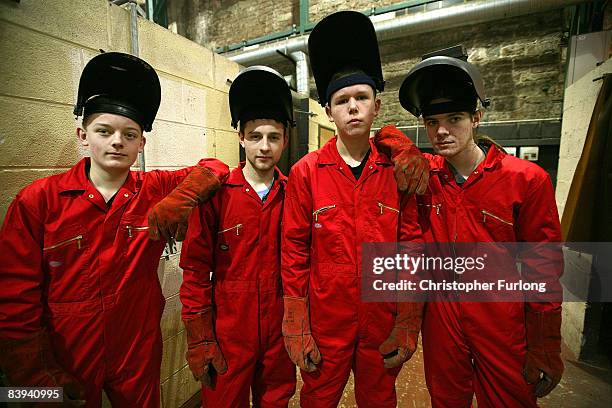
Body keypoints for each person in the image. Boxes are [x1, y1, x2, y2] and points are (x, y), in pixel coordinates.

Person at [0, 52, 229, 407]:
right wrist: (35, 380)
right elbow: (14, 301)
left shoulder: (154, 189)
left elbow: (216, 167)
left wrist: (180, 198)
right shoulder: (38, 203)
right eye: (104, 131)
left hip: (136, 346)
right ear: (83, 135)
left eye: (129, 134)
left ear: (142, 144)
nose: (117, 141)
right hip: (67, 353)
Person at [374, 46, 564, 407]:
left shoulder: (526, 180)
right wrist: (404, 149)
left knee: (511, 401)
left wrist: (543, 343)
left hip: (500, 317)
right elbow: (382, 134)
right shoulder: (426, 174)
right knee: (446, 399)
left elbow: (545, 268)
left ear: (476, 118)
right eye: (432, 123)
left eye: (455, 119)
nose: (442, 131)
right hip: (442, 317)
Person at [281, 11, 428, 407]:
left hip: (381, 320)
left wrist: (408, 317)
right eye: (342, 101)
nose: (352, 107)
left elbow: (412, 246)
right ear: (328, 112)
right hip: (326, 322)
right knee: (318, 399)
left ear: (377, 106)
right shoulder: (306, 173)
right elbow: (294, 253)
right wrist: (296, 321)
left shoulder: (398, 169)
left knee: (379, 400)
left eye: (361, 98)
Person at [178, 66, 296, 407]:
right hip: (228, 332)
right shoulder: (216, 195)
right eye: (255, 136)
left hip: (279, 332)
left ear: (285, 140)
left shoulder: (293, 195)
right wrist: (200, 337)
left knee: (276, 401)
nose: (264, 147)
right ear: (240, 138)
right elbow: (196, 271)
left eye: (273, 137)